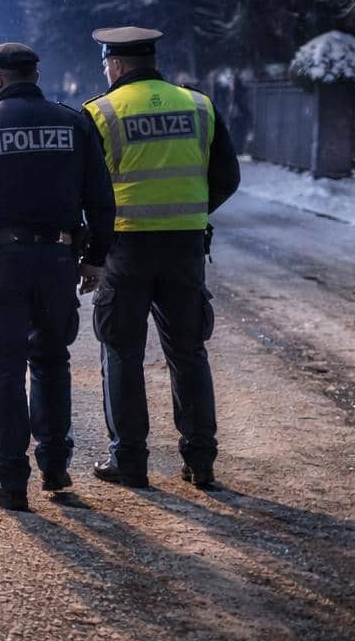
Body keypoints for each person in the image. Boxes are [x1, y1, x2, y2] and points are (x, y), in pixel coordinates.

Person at [0, 42, 115, 512]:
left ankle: (11, 480)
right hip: (58, 260)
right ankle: (55, 468)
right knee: (52, 362)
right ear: (34, 75)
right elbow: (100, 197)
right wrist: (95, 257)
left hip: (1, 264)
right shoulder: (73, 123)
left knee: (4, 369)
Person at [83, 27, 241, 490]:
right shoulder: (199, 105)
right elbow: (227, 176)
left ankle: (130, 461)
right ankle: (201, 460)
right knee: (188, 352)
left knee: (122, 352)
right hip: (184, 247)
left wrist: (92, 244)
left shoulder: (101, 112)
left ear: (116, 65)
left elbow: (86, 188)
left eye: (106, 64)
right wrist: (190, 212)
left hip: (126, 248)